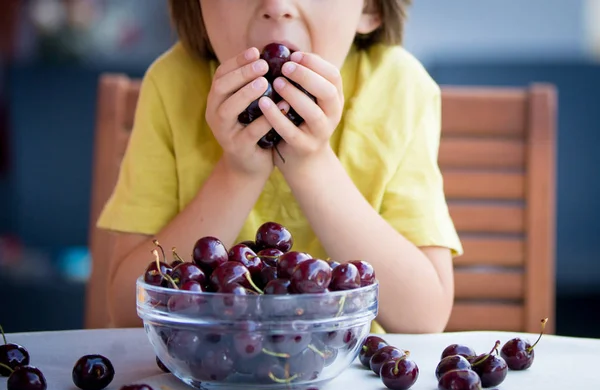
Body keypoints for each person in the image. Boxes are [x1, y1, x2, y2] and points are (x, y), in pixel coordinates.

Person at [97, 0, 463, 334]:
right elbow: (126, 310)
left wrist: (311, 164)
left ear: (370, 9)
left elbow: (423, 316)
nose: (277, 7)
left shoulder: (399, 87)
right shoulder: (170, 83)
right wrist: (238, 172)